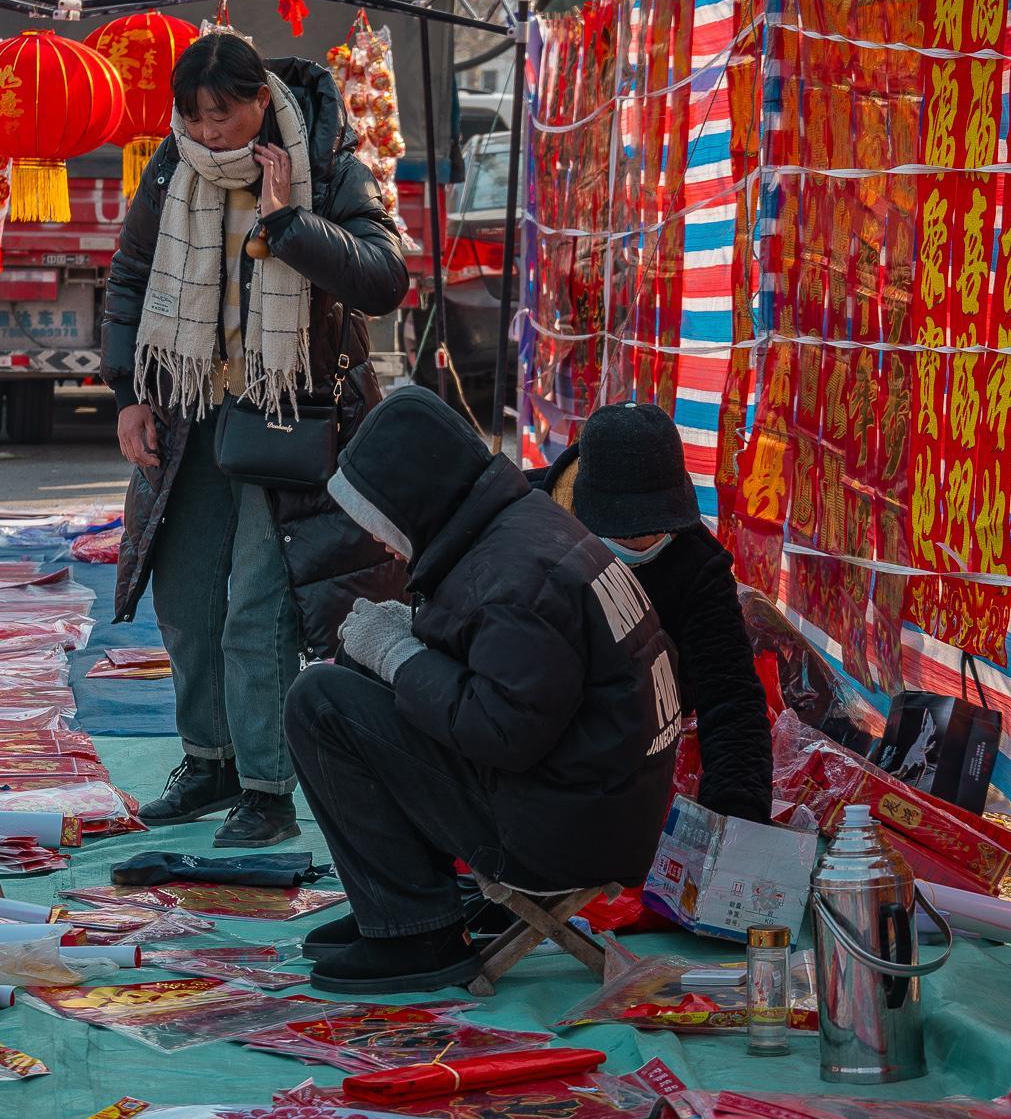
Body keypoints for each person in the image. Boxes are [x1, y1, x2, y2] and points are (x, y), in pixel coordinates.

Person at [101, 30, 409, 848]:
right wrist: (130, 392)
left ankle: (267, 787)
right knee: (186, 594)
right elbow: (131, 276)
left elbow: (384, 278)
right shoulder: (172, 168)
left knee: (260, 605)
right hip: (190, 409)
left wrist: (292, 223)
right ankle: (209, 762)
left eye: (223, 115)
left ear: (261, 101)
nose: (209, 133)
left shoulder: (331, 162)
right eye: (193, 116)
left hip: (293, 416)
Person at [284, 389, 683, 994]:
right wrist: (397, 653)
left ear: (415, 499)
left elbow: (501, 732)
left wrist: (398, 654)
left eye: (382, 524)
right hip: (597, 806)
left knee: (319, 701)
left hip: (565, 830)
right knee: (356, 675)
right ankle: (401, 905)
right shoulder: (517, 526)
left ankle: (417, 931)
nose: (386, 547)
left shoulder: (513, 577)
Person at [530, 402, 774, 822]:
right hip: (538, 737)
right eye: (630, 532)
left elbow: (729, 695)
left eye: (659, 528)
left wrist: (736, 817)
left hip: (645, 741)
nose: (648, 542)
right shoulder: (529, 527)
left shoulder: (695, 562)